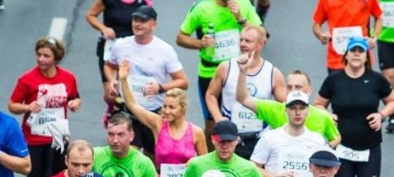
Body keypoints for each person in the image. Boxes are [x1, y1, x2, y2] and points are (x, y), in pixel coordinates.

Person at [104, 5, 189, 156]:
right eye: (135, 19)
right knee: (127, 157)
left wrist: (160, 88)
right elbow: (109, 66)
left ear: (154, 25)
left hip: (153, 114)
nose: (138, 24)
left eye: (143, 20)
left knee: (152, 159)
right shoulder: (121, 45)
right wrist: (112, 81)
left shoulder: (164, 49)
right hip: (128, 111)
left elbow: (183, 82)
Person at [315, 36, 394, 177]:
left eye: (361, 51)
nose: (357, 54)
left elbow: (393, 101)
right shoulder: (334, 80)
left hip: (369, 147)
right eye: (353, 50)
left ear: (367, 56)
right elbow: (318, 105)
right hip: (341, 147)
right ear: (346, 54)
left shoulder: (376, 79)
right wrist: (327, 115)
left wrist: (381, 115)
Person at [176, 0, 262, 138]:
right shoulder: (201, 8)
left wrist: (241, 19)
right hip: (210, 72)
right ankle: (209, 156)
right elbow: (181, 37)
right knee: (212, 126)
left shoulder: (244, 4)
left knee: (241, 120)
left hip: (238, 71)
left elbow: (262, 34)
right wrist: (200, 43)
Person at [8, 37, 82, 177]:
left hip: (59, 137)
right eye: (39, 54)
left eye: (46, 56)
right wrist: (28, 106)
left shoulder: (68, 78)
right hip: (34, 139)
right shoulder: (27, 79)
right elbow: (12, 105)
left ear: (56, 58)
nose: (41, 59)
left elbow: (75, 97)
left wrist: (75, 104)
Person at [204, 25, 285, 159]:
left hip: (260, 137)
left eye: (248, 41)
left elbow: (285, 105)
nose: (242, 44)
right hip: (231, 137)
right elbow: (211, 95)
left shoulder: (272, 73)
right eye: (241, 40)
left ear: (260, 45)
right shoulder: (226, 67)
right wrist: (218, 118)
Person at [177, 120, 269, 177]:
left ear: (237, 140)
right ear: (213, 139)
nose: (225, 146)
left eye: (229, 141)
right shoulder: (196, 164)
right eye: (221, 141)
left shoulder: (249, 167)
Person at [235, 68, 341, 146]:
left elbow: (336, 137)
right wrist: (243, 72)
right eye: (290, 87)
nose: (293, 90)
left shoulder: (321, 116)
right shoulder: (275, 109)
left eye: (298, 87)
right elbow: (243, 98)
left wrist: (327, 148)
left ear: (309, 91)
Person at [251, 92, 328, 177]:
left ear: (308, 110)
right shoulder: (269, 137)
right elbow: (253, 167)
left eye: (302, 108)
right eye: (293, 108)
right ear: (286, 110)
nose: (298, 113)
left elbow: (322, 169)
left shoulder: (318, 140)